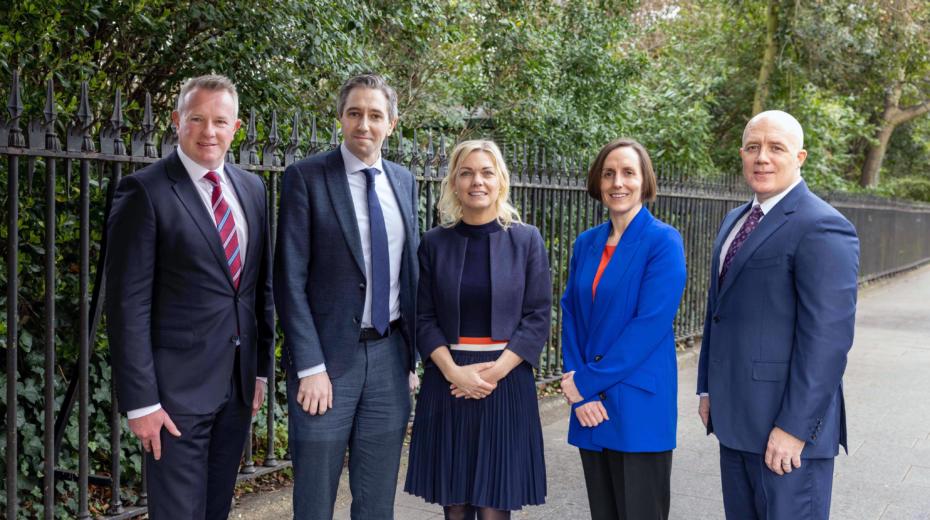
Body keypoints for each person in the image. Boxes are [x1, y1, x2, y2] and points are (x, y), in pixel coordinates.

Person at [105, 74, 275, 519]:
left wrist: (258, 372)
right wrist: (142, 403)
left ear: (236, 128)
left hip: (236, 390)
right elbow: (127, 307)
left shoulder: (253, 189)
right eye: (197, 119)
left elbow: (258, 290)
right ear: (177, 121)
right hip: (173, 397)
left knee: (215, 510)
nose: (208, 131)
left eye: (220, 121)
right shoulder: (145, 191)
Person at [696, 110, 859, 520]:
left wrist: (794, 429)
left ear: (800, 157)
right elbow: (718, 312)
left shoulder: (823, 226)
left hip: (786, 435)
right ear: (742, 154)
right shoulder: (735, 220)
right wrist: (707, 389)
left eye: (775, 148)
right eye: (753, 147)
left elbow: (828, 341)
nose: (762, 157)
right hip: (736, 422)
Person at [274, 73, 420, 519]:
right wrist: (310, 366)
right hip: (326, 366)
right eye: (354, 113)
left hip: (390, 358)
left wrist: (409, 360)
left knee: (377, 503)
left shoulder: (403, 180)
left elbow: (409, 274)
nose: (364, 124)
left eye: (375, 115)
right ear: (340, 118)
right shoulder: (306, 178)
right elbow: (289, 280)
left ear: (392, 123)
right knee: (315, 501)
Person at [404, 139, 551, 520]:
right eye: (466, 172)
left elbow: (537, 316)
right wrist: (454, 372)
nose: (477, 181)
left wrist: (494, 372)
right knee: (456, 506)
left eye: (486, 172)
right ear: (453, 182)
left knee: (492, 506)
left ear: (500, 180)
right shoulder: (434, 243)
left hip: (505, 380)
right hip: (449, 379)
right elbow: (423, 317)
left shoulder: (526, 240)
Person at [559, 138, 687, 520]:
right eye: (609, 173)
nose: (618, 182)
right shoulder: (587, 243)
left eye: (628, 173)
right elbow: (571, 316)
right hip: (590, 406)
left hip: (637, 403)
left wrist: (587, 382)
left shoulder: (663, 241)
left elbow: (649, 326)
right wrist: (580, 393)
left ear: (644, 180)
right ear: (598, 182)